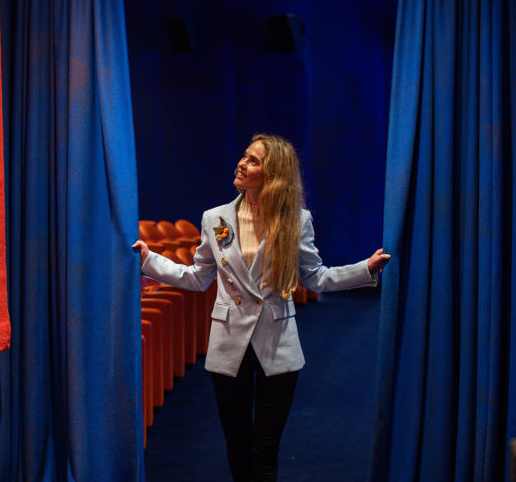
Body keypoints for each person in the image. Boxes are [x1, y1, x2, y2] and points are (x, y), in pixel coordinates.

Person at [132, 133, 390, 482]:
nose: (242, 163)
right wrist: (150, 261)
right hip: (229, 341)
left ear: (273, 175)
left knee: (265, 449)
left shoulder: (296, 220)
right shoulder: (215, 219)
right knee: (237, 446)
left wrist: (365, 269)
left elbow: (316, 278)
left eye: (254, 160)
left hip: (277, 343)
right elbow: (196, 277)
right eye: (245, 155)